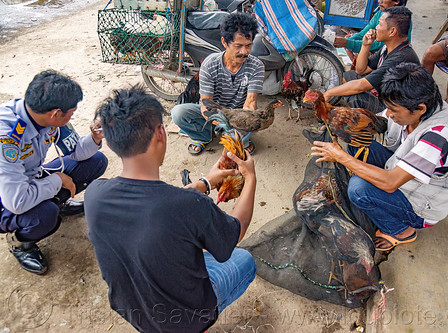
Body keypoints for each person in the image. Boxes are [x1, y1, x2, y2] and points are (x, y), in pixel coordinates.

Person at [85, 86, 257, 332]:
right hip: (184, 319)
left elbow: (162, 205)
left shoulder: (94, 194)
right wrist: (250, 178)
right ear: (161, 134)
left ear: (111, 146)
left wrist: (206, 183)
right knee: (245, 259)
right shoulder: (187, 206)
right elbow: (235, 232)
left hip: (134, 310)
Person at [311, 63, 448, 251]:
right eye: (388, 107)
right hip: (403, 169)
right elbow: (375, 122)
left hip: (422, 202)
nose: (389, 114)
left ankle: (401, 230)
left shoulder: (438, 135)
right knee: (357, 144)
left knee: (358, 188)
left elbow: (390, 182)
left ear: (420, 109)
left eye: (394, 110)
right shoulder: (411, 107)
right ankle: (377, 200)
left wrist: (340, 156)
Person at [0, 70, 108, 274]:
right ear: (56, 113)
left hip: (31, 179)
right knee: (46, 215)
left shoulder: (44, 116)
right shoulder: (7, 138)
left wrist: (95, 138)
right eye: (71, 113)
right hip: (6, 198)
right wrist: (58, 180)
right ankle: (21, 244)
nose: (72, 117)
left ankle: (57, 202)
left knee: (96, 161)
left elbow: (76, 151)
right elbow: (16, 201)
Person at [171, 12, 264, 155]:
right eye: (238, 46)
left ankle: (238, 137)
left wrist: (243, 123)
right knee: (178, 113)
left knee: (250, 123)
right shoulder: (210, 64)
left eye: (248, 46)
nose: (244, 52)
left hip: (239, 115)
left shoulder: (256, 66)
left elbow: (250, 103)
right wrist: (221, 123)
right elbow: (205, 104)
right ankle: (203, 137)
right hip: (216, 111)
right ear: (224, 42)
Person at [324, 6, 419, 114]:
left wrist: (329, 93)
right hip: (385, 94)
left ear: (392, 31)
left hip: (397, 109)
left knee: (355, 98)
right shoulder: (387, 48)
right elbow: (360, 70)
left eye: (380, 24)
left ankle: (370, 126)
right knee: (348, 76)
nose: (376, 28)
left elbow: (361, 86)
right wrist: (365, 45)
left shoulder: (401, 57)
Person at [334, 0, 412, 63]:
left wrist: (348, 43)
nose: (379, 1)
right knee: (352, 45)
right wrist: (348, 41)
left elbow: (380, 45)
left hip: (388, 55)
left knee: (360, 53)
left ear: (396, 1)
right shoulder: (380, 13)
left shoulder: (401, 21)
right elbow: (364, 32)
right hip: (381, 50)